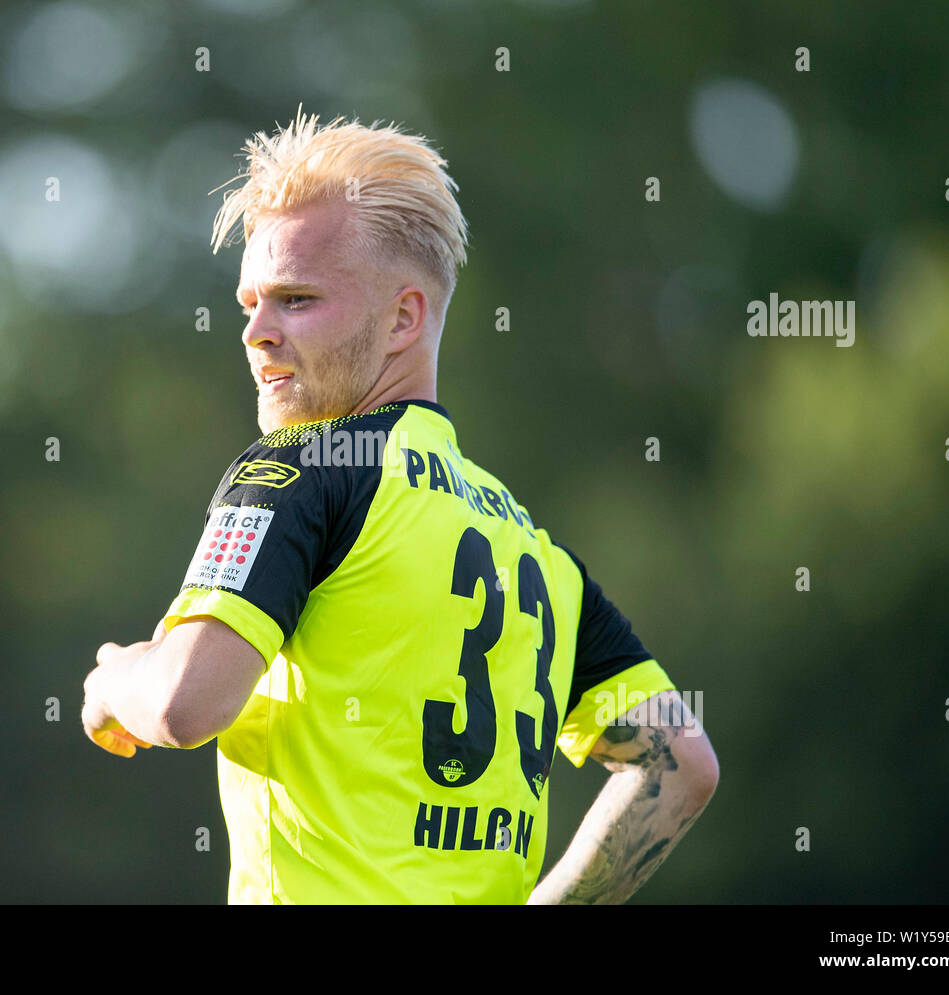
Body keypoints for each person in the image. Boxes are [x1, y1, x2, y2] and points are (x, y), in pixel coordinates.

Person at [81, 107, 719, 904]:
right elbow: (681, 763)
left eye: (296, 299)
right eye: (250, 303)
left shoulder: (300, 470)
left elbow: (183, 702)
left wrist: (114, 679)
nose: (255, 332)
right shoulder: (536, 550)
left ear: (404, 317)